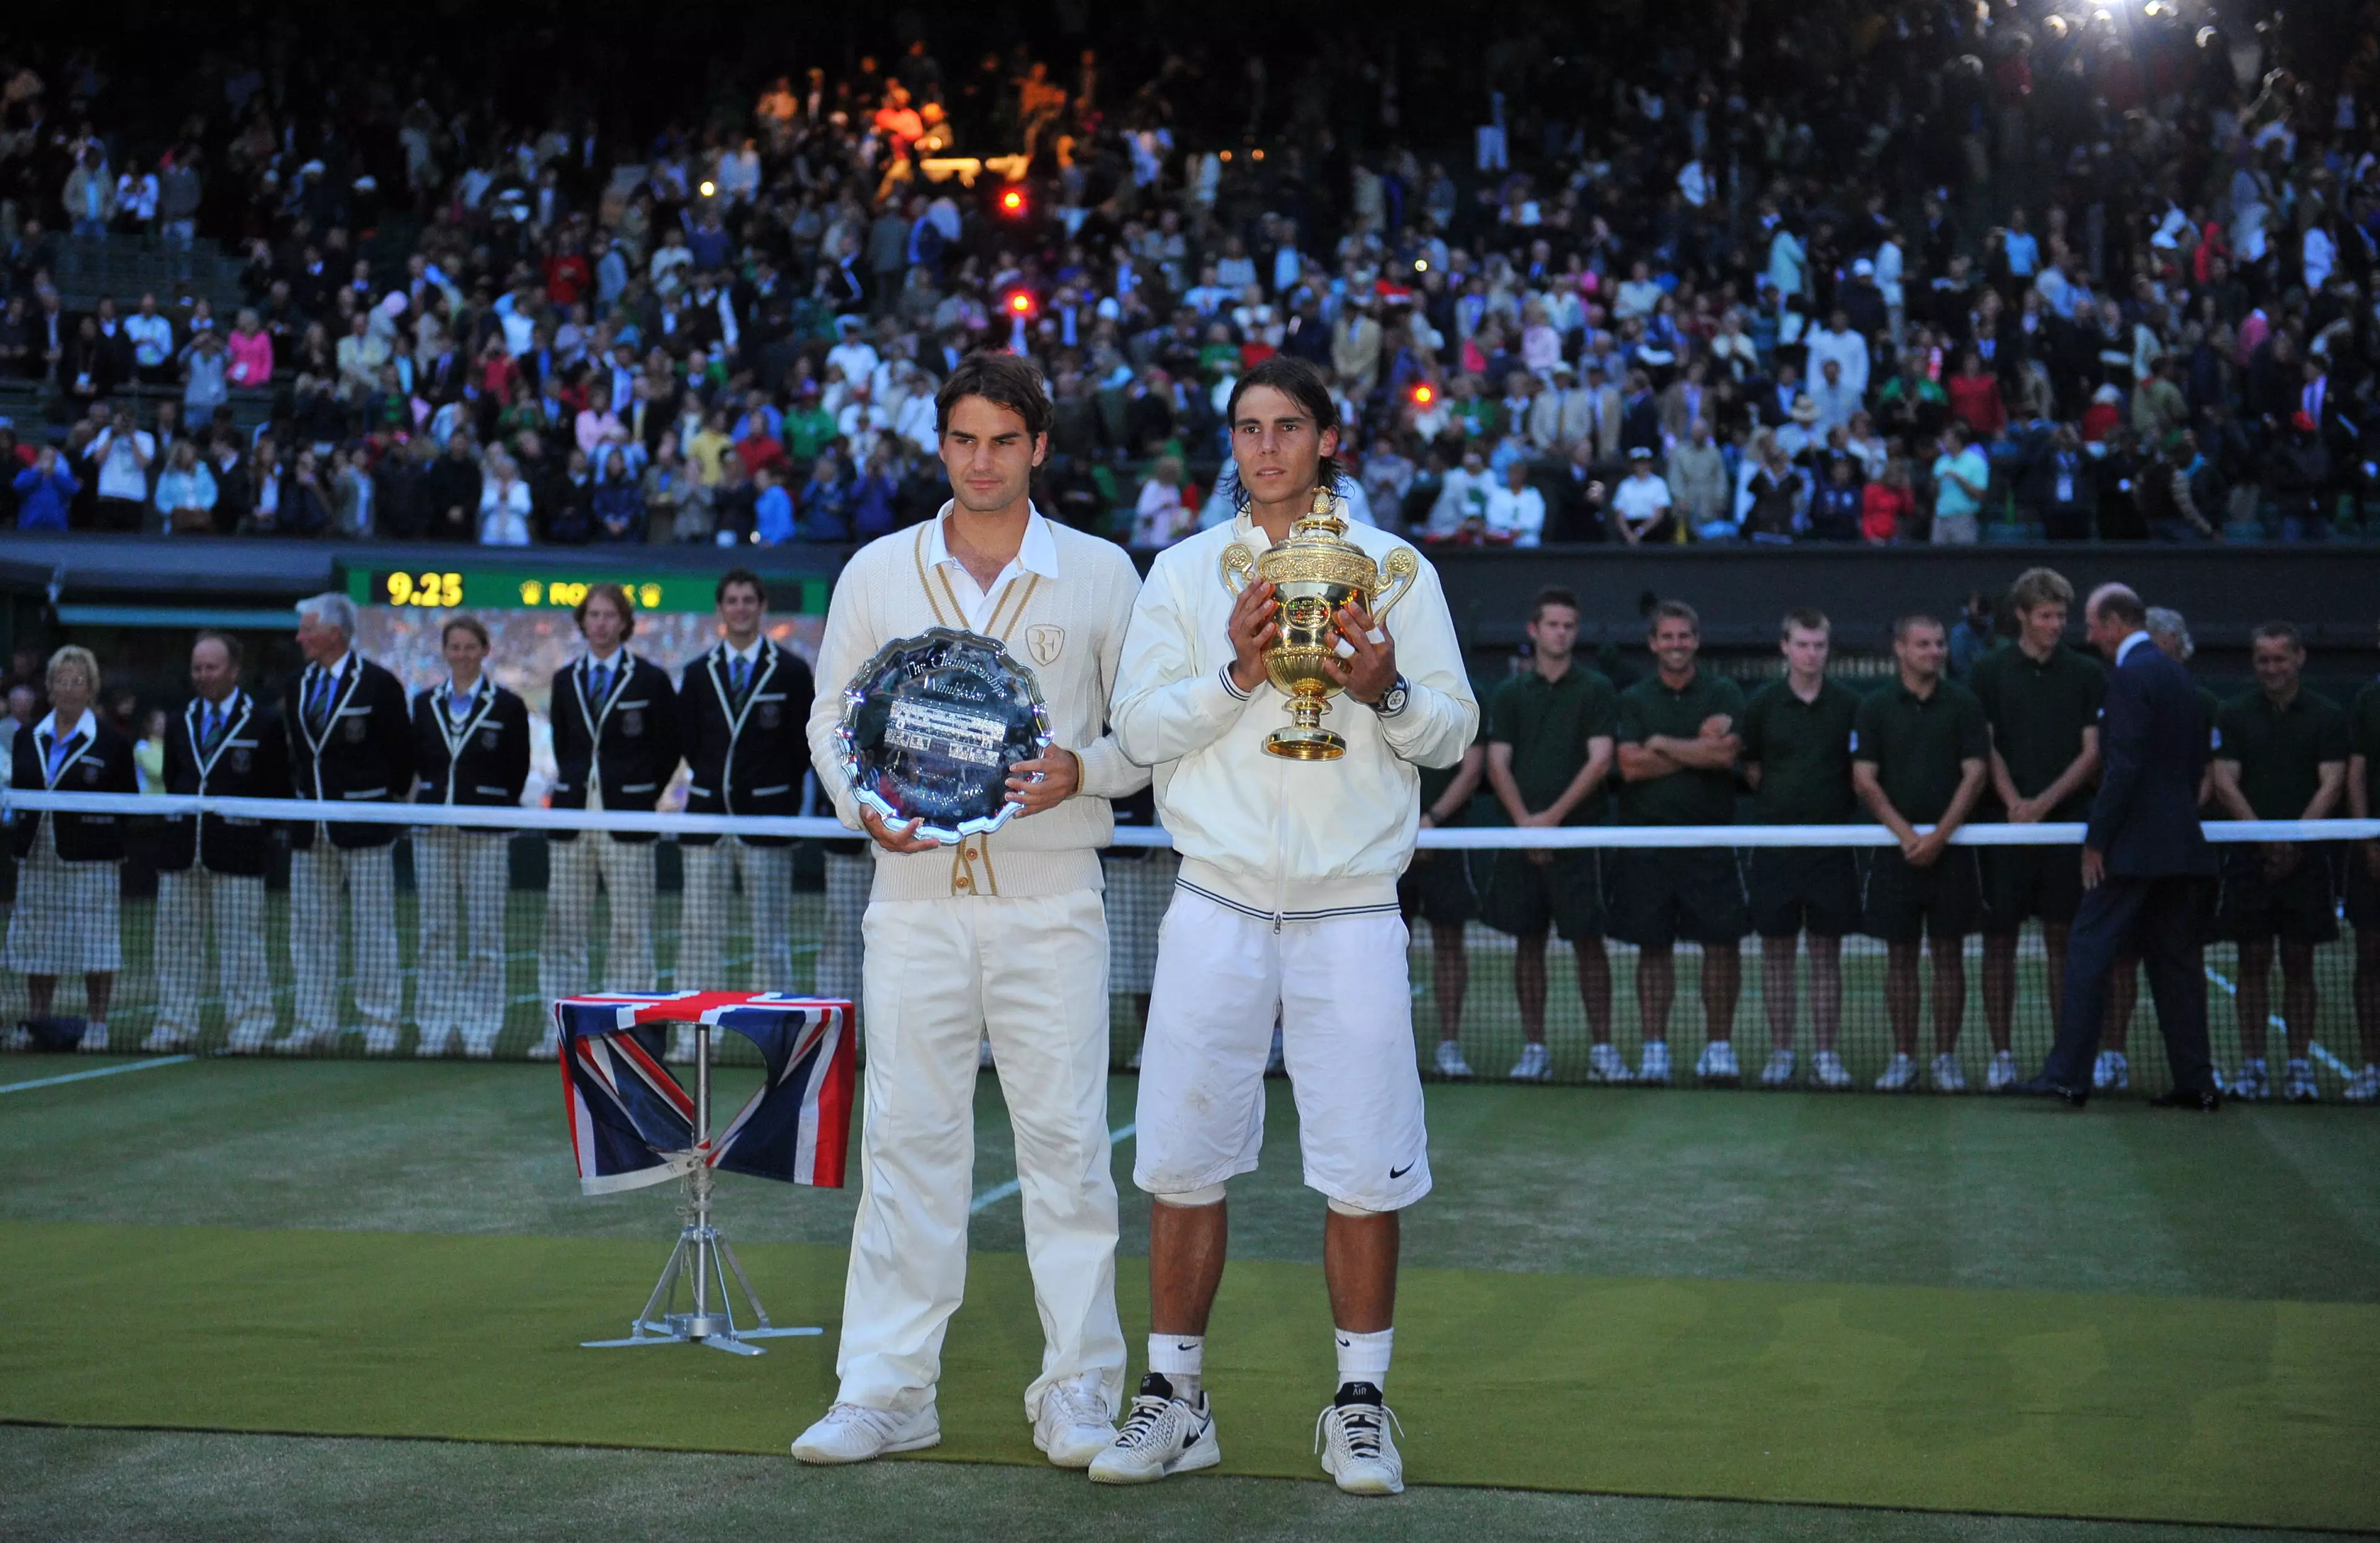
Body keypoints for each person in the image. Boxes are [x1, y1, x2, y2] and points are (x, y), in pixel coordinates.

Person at [1104, 354, 1476, 1495]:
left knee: (1364, 1165)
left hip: (1352, 905)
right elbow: (1135, 728)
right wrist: (1235, 668)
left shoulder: (1396, 570)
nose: (1266, 446)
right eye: (1249, 427)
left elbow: (1454, 731)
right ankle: (1176, 1397)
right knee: (1181, 1155)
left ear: (1327, 440)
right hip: (1214, 899)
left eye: (1289, 426)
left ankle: (1358, 1404)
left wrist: (1388, 693)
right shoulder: (1177, 572)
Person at [793, 352, 1147, 1472]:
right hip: (911, 902)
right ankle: (887, 1389)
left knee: (1068, 1151)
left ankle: (1082, 1387)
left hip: (1051, 901)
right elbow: (829, 721)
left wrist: (1081, 769)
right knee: (906, 1147)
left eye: (1004, 439)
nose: (981, 460)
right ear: (939, 446)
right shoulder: (877, 570)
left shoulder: (1099, 571)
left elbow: (1148, 731)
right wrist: (866, 807)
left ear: (1039, 446)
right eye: (963, 440)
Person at [2016, 585, 2222, 1110]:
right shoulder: (2177, 673)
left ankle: (2067, 1075)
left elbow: (2123, 766)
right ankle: (2197, 1081)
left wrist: (2097, 840)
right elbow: (2192, 764)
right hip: (2180, 846)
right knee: (2175, 962)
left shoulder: (2131, 677)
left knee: (2086, 949)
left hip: (2134, 848)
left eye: (2092, 624)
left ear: (2114, 623)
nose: (2088, 636)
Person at [1970, 568, 2105, 1092]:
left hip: (2066, 830)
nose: (2056, 625)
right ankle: (2001, 1054)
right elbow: (1986, 744)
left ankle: (2064, 1057)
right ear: (2022, 616)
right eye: (2046, 615)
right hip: (2003, 831)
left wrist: (2044, 804)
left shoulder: (2087, 673)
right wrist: (2014, 805)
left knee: (2064, 942)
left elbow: (2093, 751)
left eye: (2061, 616)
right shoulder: (1987, 670)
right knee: (1998, 943)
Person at [1479, 586, 1620, 1082]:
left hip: (1577, 840)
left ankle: (1604, 1050)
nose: (1562, 633)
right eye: (1553, 624)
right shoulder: (1511, 694)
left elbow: (1601, 759)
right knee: (1528, 945)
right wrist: (1526, 826)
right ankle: (1534, 1048)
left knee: (1589, 945)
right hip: (1523, 841)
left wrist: (1552, 822)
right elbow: (1497, 762)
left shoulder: (1596, 689)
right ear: (1534, 630)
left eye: (1569, 625)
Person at [675, 569, 814, 1058]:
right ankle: (696, 1037)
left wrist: (771, 792)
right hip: (708, 819)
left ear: (761, 607)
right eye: (731, 600)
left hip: (768, 819)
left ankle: (773, 1037)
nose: (739, 608)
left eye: (747, 600)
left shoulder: (793, 671)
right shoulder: (697, 672)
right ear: (720, 608)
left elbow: (803, 747)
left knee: (770, 935)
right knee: (699, 933)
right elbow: (687, 741)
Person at [536, 583, 679, 1057]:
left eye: (609, 614)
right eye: (592, 615)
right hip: (573, 817)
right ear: (583, 622)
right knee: (563, 925)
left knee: (631, 926)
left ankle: (630, 1033)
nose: (600, 623)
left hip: (628, 817)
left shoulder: (651, 679)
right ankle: (558, 1030)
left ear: (623, 622)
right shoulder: (564, 679)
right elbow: (566, 749)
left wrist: (636, 791)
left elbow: (667, 748)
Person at [2208, 622, 2348, 1102]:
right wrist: (2266, 839)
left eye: (2279, 659)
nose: (2271, 668)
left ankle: (2298, 1066)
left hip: (2307, 858)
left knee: (2299, 962)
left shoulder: (2328, 716)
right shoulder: (2233, 712)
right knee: (2252, 960)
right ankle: (2252, 1066)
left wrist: (2293, 841)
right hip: (2250, 856)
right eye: (2263, 660)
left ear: (2299, 658)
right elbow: (2224, 781)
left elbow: (2332, 782)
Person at [1610, 601, 1748, 1085]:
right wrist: (1695, 748)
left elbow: (1724, 756)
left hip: (1710, 842)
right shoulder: (1633, 698)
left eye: (1684, 636)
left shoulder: (1724, 691)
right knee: (1654, 949)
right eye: (1667, 637)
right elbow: (1630, 766)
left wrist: (1662, 744)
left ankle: (1719, 1049)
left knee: (1722, 947)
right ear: (1653, 643)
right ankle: (1654, 1051)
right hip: (1648, 844)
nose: (1676, 644)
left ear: (1696, 639)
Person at [1853, 614, 1990, 1091]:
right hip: (1897, 852)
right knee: (1901, 957)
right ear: (1900, 648)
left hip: (1951, 853)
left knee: (1949, 955)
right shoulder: (1874, 707)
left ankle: (1946, 1058)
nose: (1935, 651)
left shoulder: (1965, 704)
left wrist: (1939, 836)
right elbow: (1864, 779)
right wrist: (1908, 835)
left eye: (1939, 644)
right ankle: (1905, 1056)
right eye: (1924, 644)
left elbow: (1976, 774)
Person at [281, 595, 413, 1054]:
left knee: (374, 929)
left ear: (333, 633)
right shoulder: (297, 684)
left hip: (365, 825)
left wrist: (379, 808)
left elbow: (402, 758)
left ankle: (380, 1026)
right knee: (309, 930)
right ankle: (315, 1025)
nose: (300, 637)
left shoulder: (378, 684)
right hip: (309, 827)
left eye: (307, 628)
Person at [1739, 609, 1862, 1089]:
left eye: (1819, 645)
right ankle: (1782, 1052)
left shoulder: (1850, 704)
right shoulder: (1763, 704)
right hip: (1776, 847)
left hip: (1832, 848)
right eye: (1803, 644)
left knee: (1827, 955)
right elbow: (1751, 766)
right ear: (1785, 647)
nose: (1812, 654)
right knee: (1776, 955)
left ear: (1828, 650)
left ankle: (1827, 1054)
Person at [151, 632, 288, 1054]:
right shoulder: (179, 721)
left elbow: (276, 788)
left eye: (212, 667)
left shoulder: (264, 721)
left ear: (234, 670)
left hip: (239, 853)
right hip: (181, 851)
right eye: (197, 668)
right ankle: (174, 1023)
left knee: (243, 946)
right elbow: (175, 781)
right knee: (174, 945)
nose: (203, 675)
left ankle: (250, 1026)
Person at [408, 616, 531, 1058]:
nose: (461, 654)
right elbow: (418, 762)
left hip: (486, 832)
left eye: (469, 646)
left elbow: (516, 769)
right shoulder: (424, 704)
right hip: (433, 832)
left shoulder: (509, 706)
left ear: (485, 651)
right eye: (454, 647)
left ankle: (481, 1029)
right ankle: (435, 1027)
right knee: (435, 932)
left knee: (485, 933)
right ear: (445, 652)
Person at [5, 647, 138, 1053]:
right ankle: (38, 1020)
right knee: (37, 941)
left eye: (77, 681)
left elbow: (128, 804)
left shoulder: (113, 741)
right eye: (61, 680)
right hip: (37, 855)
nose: (68, 688)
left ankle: (98, 1024)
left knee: (96, 940)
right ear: (49, 687)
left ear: (91, 688)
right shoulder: (28, 736)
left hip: (91, 860)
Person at [1404, 723, 1486, 1078]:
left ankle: (1449, 1045)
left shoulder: (1466, 690)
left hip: (1447, 841)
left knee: (1450, 944)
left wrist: (1431, 822)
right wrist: (1404, 826)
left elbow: (1472, 768)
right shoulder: (1373, 679)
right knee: (1382, 946)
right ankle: (1392, 1048)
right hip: (1388, 839)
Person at [2347, 624, 2380, 1103]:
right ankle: (2374, 1066)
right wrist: (2369, 839)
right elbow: (2356, 775)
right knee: (2371, 960)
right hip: (2374, 852)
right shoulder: (2369, 701)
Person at [1929, 423, 1990, 544]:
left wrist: (1958, 478)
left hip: (1964, 518)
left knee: (1963, 560)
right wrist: (1935, 483)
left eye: (1946, 437)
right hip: (1940, 518)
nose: (1942, 441)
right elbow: (1932, 493)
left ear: (1957, 440)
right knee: (1937, 560)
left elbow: (1980, 495)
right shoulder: (1941, 461)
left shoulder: (1976, 462)